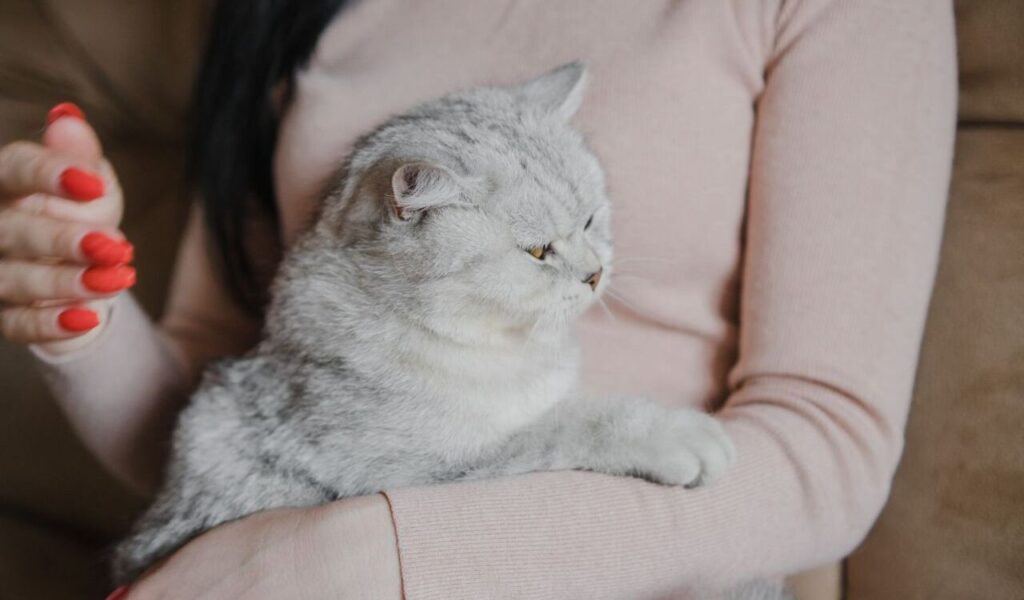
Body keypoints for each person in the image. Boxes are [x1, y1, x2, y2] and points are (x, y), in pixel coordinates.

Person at [0, 1, 957, 598]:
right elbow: (236, 398)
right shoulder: (283, 13)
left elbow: (829, 444)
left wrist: (379, 559)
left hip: (636, 557)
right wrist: (77, 318)